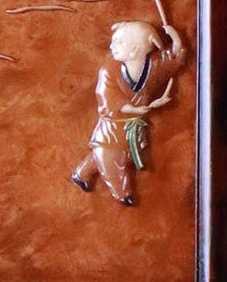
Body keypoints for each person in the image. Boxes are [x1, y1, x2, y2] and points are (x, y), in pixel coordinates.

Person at [70, 20, 182, 204]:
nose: (111, 46)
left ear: (135, 49)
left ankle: (81, 175)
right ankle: (123, 194)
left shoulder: (152, 67)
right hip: (112, 126)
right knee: (112, 159)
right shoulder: (109, 71)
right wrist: (134, 109)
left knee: (114, 155)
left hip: (132, 127)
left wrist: (174, 37)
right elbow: (107, 98)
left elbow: (174, 59)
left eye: (119, 42)